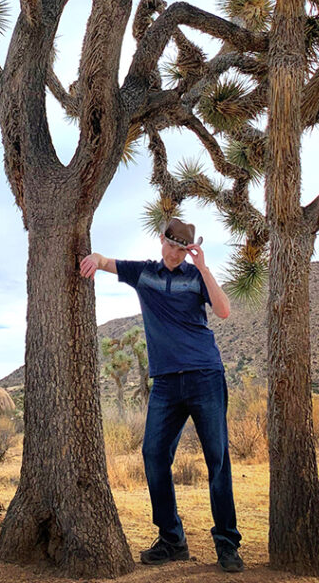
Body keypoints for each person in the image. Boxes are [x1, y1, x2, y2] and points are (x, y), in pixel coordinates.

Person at [79, 217, 244, 574]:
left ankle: (227, 544)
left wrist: (203, 268)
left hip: (204, 375)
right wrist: (94, 257)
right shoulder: (145, 274)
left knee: (217, 460)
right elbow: (108, 263)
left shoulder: (195, 275)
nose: (174, 253)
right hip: (167, 383)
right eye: (170, 245)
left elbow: (224, 310)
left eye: (181, 249)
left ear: (188, 250)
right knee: (154, 454)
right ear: (161, 241)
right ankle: (172, 540)